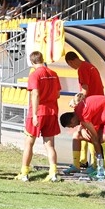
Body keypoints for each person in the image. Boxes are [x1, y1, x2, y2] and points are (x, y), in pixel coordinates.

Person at [15, 51, 62, 182]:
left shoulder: (35, 75)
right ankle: (53, 172)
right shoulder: (53, 74)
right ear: (42, 59)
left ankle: (24, 173)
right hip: (51, 112)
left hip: (38, 112)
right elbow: (58, 94)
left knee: (29, 143)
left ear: (31, 62)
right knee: (50, 144)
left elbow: (35, 94)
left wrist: (35, 114)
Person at [60, 94, 105, 179]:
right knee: (76, 135)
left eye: (71, 125)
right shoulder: (78, 111)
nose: (73, 127)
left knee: (104, 139)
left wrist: (100, 160)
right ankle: (76, 166)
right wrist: (82, 129)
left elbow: (95, 139)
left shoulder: (82, 115)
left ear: (72, 119)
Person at [64, 51, 104, 171]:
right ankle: (84, 163)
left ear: (70, 61)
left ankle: (95, 165)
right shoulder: (90, 66)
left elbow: (84, 91)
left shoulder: (82, 69)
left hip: (91, 107)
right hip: (97, 104)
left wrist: (75, 101)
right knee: (84, 133)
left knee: (91, 135)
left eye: (70, 65)